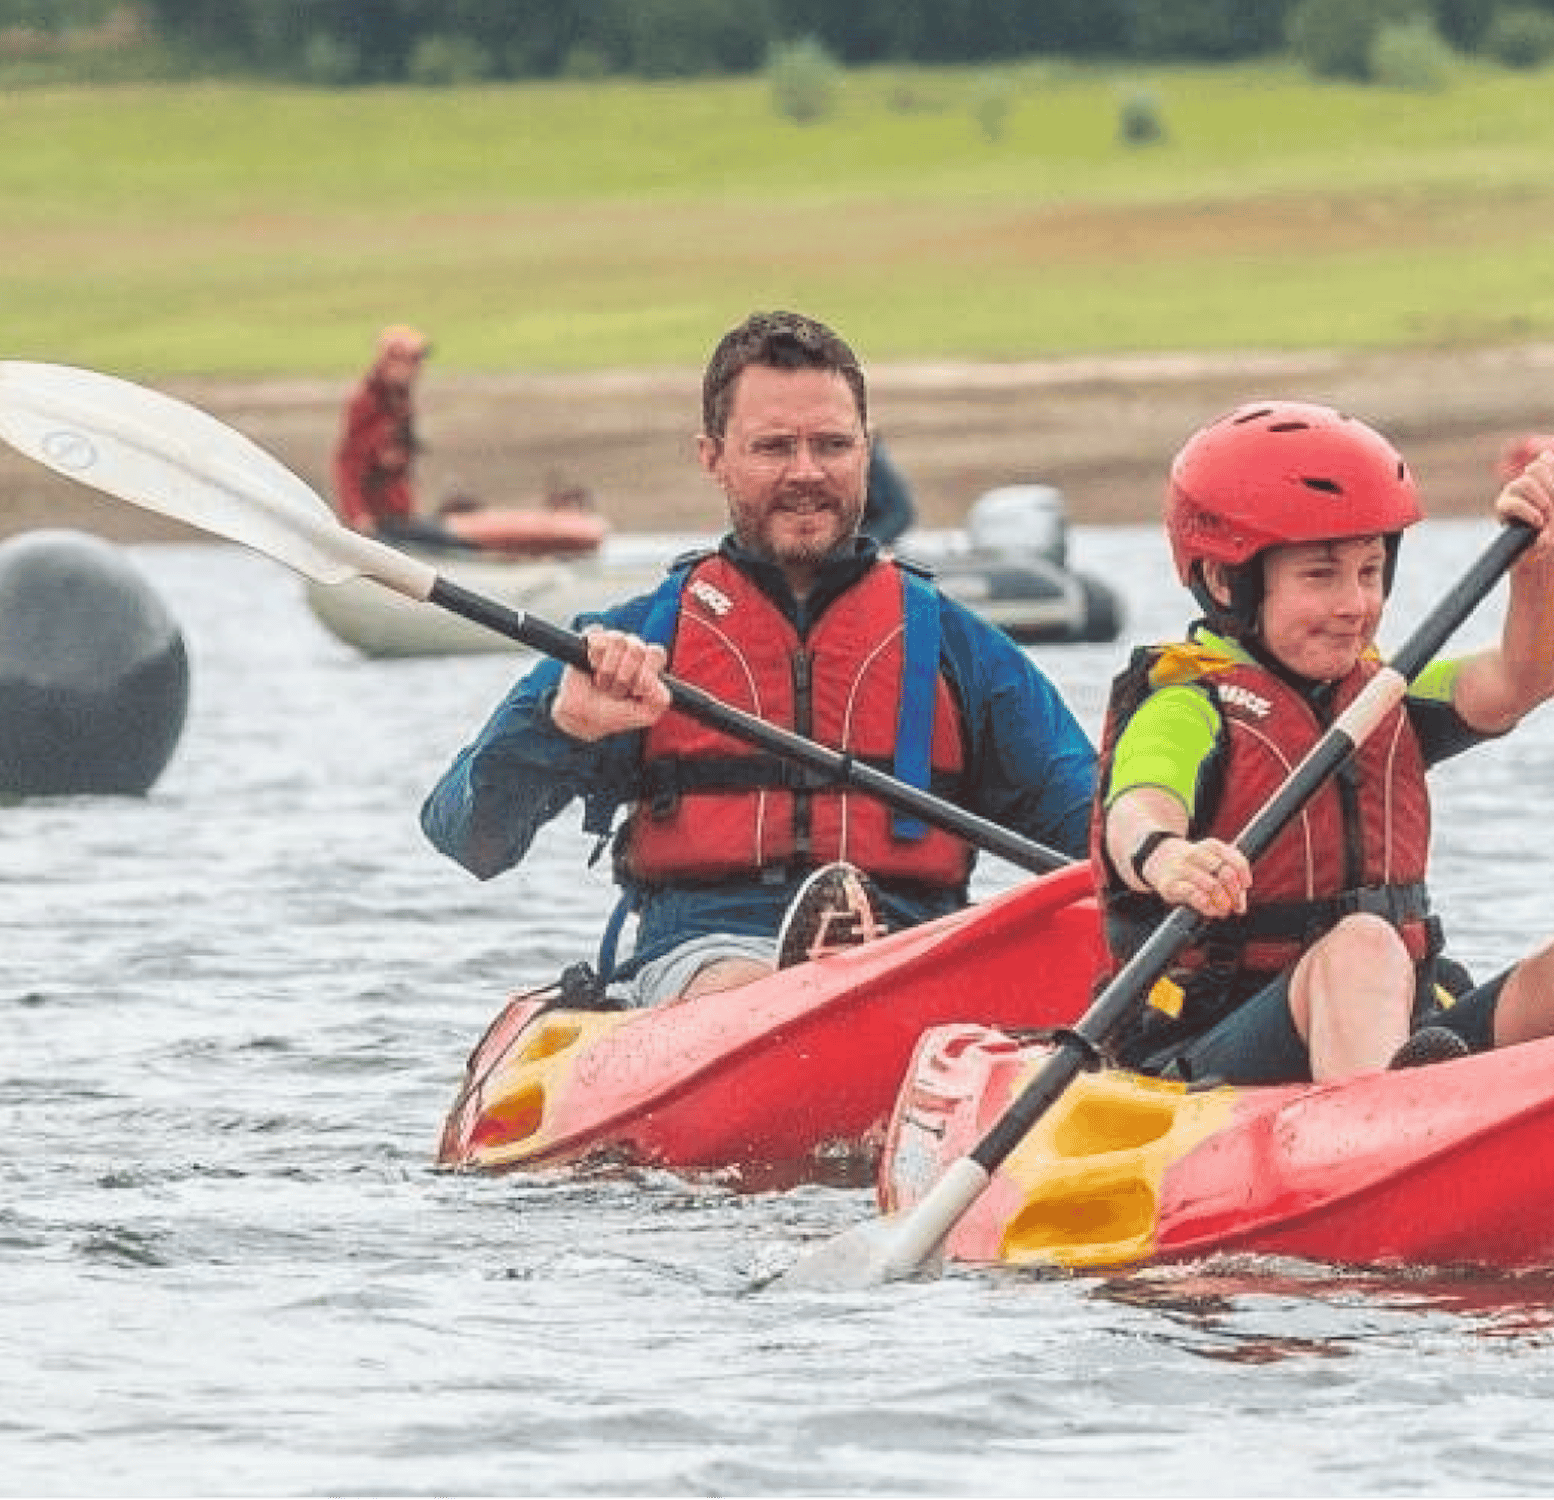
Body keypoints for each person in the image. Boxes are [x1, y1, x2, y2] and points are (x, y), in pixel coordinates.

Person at [419, 309, 1099, 1003]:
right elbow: (465, 835)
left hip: (917, 955)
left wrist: (1168, 852)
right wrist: (558, 728)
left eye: (832, 445)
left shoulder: (962, 651)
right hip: (706, 961)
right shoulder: (633, 645)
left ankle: (852, 978)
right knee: (738, 981)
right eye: (774, 448)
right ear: (712, 457)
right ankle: (805, 991)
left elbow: (1097, 833)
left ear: (866, 449)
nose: (806, 473)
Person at [1095, 402, 1554, 1083]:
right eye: (1320, 575)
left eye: (1369, 572)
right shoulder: (1188, 701)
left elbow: (1522, 679)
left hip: (1401, 1029)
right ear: (1225, 580)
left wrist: (1538, 562)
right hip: (1215, 1048)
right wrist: (1169, 859)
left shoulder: (1383, 693)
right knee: (1362, 944)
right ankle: (1390, 1140)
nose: (1354, 604)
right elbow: (1138, 808)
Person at [334, 324, 436, 538]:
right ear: (391, 363)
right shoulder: (367, 403)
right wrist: (358, 516)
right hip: (380, 520)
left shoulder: (399, 399)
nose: (419, 368)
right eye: (412, 361)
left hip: (401, 512)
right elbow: (348, 463)